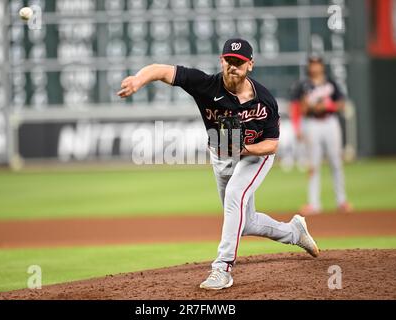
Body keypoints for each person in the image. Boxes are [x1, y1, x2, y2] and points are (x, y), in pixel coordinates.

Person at [118, 38, 319, 290]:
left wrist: (243, 150)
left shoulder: (264, 100)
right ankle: (294, 232)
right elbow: (161, 69)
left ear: (250, 65)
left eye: (239, 62)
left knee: (236, 194)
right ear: (221, 61)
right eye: (229, 61)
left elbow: (272, 144)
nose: (233, 66)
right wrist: (138, 79)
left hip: (254, 155)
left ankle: (222, 268)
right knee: (244, 222)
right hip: (221, 156)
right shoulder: (205, 85)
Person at [290, 55, 352, 215]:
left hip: (330, 122)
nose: (315, 67)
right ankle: (314, 203)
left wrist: (328, 106)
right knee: (313, 164)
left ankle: (341, 200)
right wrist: (298, 125)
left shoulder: (331, 83)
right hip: (312, 124)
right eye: (312, 64)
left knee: (336, 161)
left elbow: (341, 103)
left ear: (322, 66)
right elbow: (298, 107)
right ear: (309, 66)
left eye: (317, 64)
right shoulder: (303, 85)